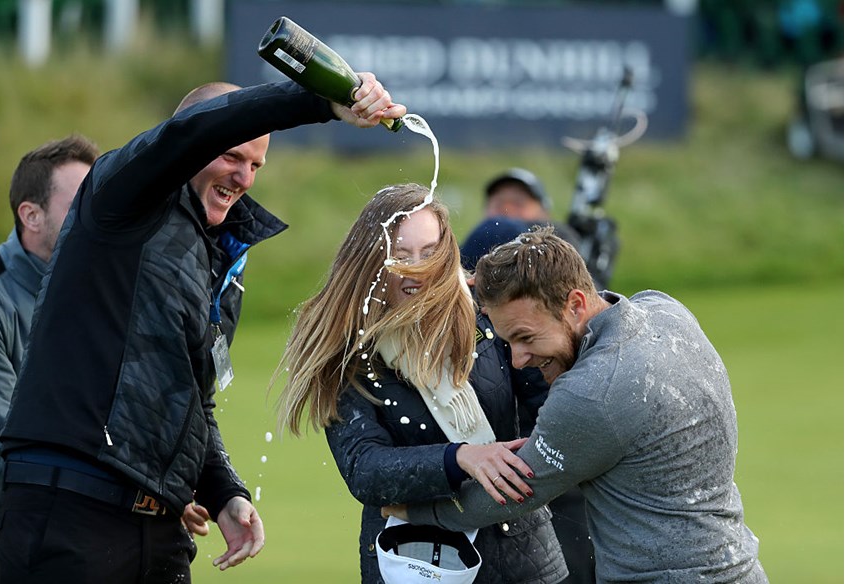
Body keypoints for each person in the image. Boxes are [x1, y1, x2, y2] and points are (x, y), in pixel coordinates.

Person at [0, 74, 405, 584]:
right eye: (232, 156)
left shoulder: (220, 255)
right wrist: (319, 100)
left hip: (156, 525)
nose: (245, 177)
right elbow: (192, 134)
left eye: (256, 165)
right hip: (72, 510)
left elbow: (193, 395)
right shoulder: (117, 197)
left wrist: (224, 492)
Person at [385, 227, 769, 583]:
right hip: (742, 568)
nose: (518, 359)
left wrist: (413, 510)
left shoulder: (591, 393)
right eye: (507, 342)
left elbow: (507, 494)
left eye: (525, 336)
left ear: (575, 304)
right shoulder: (667, 312)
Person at [275, 184, 568, 584]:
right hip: (413, 561)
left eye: (429, 253)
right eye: (400, 255)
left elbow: (549, 405)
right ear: (371, 260)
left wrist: (525, 471)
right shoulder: (346, 350)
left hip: (522, 554)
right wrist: (460, 457)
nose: (417, 269)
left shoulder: (486, 312)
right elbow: (365, 469)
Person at [462, 169, 597, 584]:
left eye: (518, 204)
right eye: (498, 203)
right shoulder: (487, 244)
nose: (505, 214)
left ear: (544, 217)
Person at [0, 135, 100, 583]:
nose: (94, 216)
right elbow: (5, 442)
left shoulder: (102, 289)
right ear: (30, 215)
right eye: (78, 202)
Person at [460, 168, 579, 272]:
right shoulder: (474, 242)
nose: (507, 210)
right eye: (498, 204)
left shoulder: (562, 239)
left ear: (544, 213)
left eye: (518, 204)